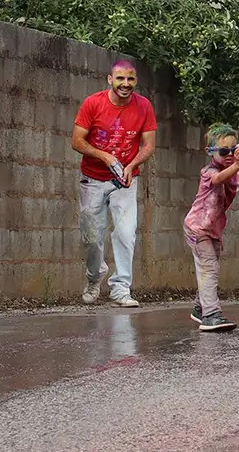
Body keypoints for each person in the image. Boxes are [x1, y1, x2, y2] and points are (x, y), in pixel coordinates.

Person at [71, 60, 157, 308]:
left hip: (125, 180)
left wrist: (131, 165)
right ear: (110, 79)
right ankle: (94, 276)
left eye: (130, 79)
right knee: (91, 237)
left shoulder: (144, 107)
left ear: (136, 81)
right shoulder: (93, 103)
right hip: (93, 178)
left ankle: (121, 288)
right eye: (120, 78)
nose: (125, 84)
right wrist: (105, 156)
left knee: (126, 232)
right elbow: (77, 141)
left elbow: (149, 144)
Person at [183, 123, 239, 331]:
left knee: (210, 267)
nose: (229, 155)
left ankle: (200, 308)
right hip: (197, 228)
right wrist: (237, 165)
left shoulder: (237, 171)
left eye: (233, 150)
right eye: (224, 151)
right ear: (210, 152)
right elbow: (219, 179)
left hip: (213, 229)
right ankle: (211, 314)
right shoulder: (208, 172)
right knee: (209, 268)